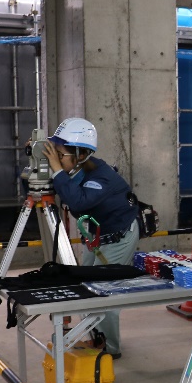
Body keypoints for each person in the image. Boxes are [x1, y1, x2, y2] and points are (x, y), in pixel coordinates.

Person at [42, 118, 138, 358]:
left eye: (60, 154)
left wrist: (55, 171)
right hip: (96, 236)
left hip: (118, 238)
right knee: (85, 288)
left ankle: (110, 349)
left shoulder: (102, 177)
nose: (57, 159)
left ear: (81, 153)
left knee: (105, 294)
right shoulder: (76, 169)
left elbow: (78, 201)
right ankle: (95, 336)